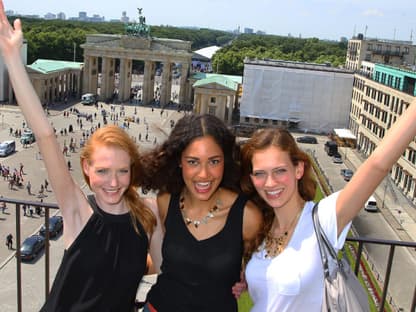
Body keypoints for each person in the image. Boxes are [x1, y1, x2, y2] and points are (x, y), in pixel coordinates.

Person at [0, 4, 156, 310]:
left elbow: (167, 263)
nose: (113, 182)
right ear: (86, 168)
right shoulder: (78, 210)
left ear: (132, 170)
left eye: (122, 171)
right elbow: (45, 134)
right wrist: (11, 58)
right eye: (103, 171)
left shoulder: (149, 216)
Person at [239, 99, 416, 311]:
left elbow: (378, 164)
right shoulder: (260, 227)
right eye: (260, 174)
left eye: (280, 171)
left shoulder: (323, 218)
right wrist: (247, 281)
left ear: (298, 169)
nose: (270, 183)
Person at [140, 114, 263, 312]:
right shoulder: (166, 201)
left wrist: (246, 279)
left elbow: (259, 269)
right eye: (193, 162)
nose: (204, 174)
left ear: (226, 160)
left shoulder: (247, 216)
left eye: (214, 161)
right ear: (179, 161)